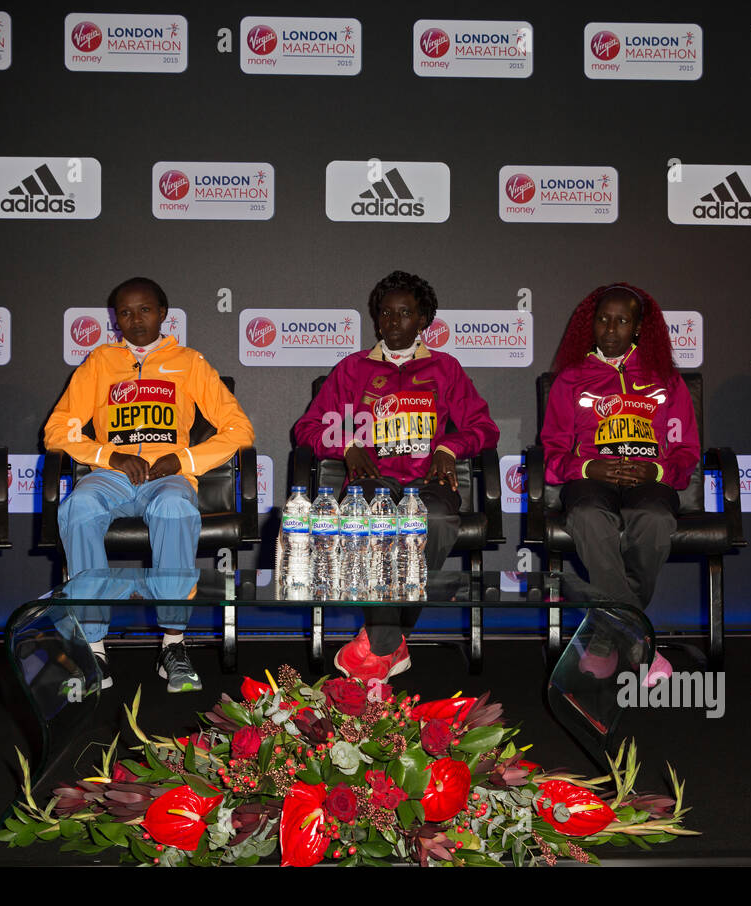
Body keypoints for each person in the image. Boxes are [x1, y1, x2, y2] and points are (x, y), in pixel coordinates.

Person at [44, 277, 253, 693]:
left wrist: (184, 458)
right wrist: (110, 456)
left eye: (145, 310)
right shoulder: (100, 362)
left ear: (163, 314)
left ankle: (173, 644)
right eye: (125, 312)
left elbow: (239, 430)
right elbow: (56, 431)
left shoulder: (189, 362)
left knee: (174, 509)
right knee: (78, 507)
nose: (135, 320)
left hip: (169, 475)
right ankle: (94, 648)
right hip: (111, 475)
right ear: (114, 319)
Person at [293, 270, 500, 682]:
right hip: (374, 481)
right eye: (385, 314)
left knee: (437, 521)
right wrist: (348, 447)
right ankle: (391, 643)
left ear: (423, 319)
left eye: (404, 313)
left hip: (429, 483)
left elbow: (484, 428)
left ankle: (383, 641)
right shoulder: (352, 369)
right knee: (375, 521)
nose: (392, 322)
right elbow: (307, 428)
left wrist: (448, 447)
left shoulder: (446, 369)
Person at [541, 283, 699, 685]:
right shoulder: (571, 379)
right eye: (603, 319)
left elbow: (686, 451)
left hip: (648, 477)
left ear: (639, 328)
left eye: (622, 320)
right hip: (591, 478)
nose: (610, 329)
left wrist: (658, 472)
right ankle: (637, 641)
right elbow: (552, 454)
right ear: (590, 324)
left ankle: (603, 636)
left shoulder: (666, 380)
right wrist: (589, 467)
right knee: (590, 518)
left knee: (655, 520)